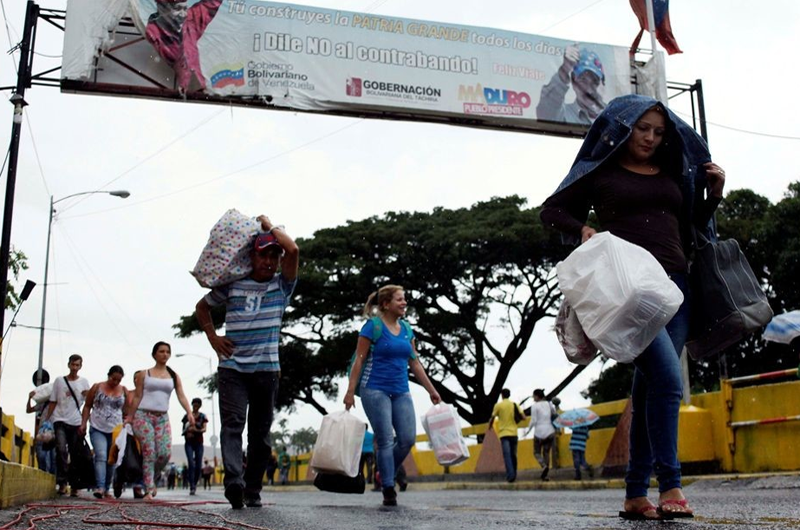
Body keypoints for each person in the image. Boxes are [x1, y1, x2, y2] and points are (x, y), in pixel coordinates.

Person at [540, 94, 726, 520]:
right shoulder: (600, 172)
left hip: (675, 288)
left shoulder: (674, 174)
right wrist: (584, 228)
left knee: (649, 391)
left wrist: (713, 194)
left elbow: (692, 224)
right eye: (642, 128)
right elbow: (550, 211)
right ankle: (672, 484)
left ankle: (635, 494)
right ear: (622, 129)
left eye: (659, 132)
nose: (650, 137)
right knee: (665, 377)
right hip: (628, 292)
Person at [195, 216, 299, 509]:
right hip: (233, 370)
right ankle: (234, 483)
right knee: (232, 426)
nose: (268, 260)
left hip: (267, 371)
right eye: (262, 254)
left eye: (272, 255)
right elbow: (202, 307)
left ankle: (252, 488)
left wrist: (270, 227)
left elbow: (293, 250)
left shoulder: (282, 287)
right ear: (251, 256)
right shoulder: (233, 285)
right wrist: (213, 338)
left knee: (260, 435)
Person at [344, 284, 442, 507]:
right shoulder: (373, 327)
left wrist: (432, 390)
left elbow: (415, 363)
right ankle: (388, 487)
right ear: (386, 304)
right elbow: (359, 360)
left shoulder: (407, 329)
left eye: (404, 299)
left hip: (401, 390)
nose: (404, 303)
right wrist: (350, 392)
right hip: (374, 389)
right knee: (386, 438)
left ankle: (384, 470)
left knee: (407, 438)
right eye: (399, 299)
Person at [125, 341, 194, 500]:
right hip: (143, 416)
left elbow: (181, 395)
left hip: (162, 417)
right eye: (161, 351)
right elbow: (137, 396)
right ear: (154, 354)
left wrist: (189, 412)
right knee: (149, 451)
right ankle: (149, 489)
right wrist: (130, 416)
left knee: (164, 453)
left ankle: (151, 477)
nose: (164, 354)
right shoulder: (145, 374)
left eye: (167, 352)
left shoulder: (173, 375)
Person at [144, 0, 223, 92]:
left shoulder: (190, 21)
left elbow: (212, 3)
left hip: (198, 89)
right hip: (171, 93)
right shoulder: (155, 34)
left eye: (185, 9)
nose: (183, 14)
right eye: (177, 9)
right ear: (162, 9)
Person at [44, 354, 90, 496]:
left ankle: (75, 485)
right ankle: (62, 482)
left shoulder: (84, 382)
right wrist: (46, 421)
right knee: (61, 450)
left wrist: (84, 423)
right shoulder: (59, 381)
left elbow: (87, 404)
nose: (75, 368)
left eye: (77, 365)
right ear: (69, 364)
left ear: (81, 366)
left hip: (75, 421)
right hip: (60, 420)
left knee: (75, 454)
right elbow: (53, 401)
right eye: (73, 365)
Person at [81, 365, 128, 499]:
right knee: (101, 455)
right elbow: (87, 406)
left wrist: (127, 423)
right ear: (109, 376)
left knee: (112, 459)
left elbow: (128, 410)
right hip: (97, 427)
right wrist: (83, 423)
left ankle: (107, 488)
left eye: (118, 380)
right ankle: (100, 487)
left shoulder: (124, 390)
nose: (115, 383)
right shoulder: (97, 387)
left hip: (116, 429)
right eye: (113, 379)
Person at [536, 44, 606, 125]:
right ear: (574, 84)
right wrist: (565, 69)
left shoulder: (616, 116)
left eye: (595, 81)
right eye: (583, 80)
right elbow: (546, 111)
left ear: (603, 84)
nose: (589, 90)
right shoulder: (562, 116)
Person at [488, 388, 524, 483]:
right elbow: (523, 417)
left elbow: (492, 418)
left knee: (507, 455)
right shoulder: (514, 404)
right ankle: (514, 474)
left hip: (504, 434)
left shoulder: (498, 405)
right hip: (514, 433)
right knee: (513, 455)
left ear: (502, 395)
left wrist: (489, 427)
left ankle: (510, 475)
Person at [26, 371, 56, 475]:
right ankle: (43, 473)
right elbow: (28, 410)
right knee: (41, 456)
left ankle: (53, 479)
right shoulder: (42, 404)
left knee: (53, 459)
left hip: (54, 433)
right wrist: (29, 398)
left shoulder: (59, 404)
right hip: (42, 432)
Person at [526, 388, 556, 481]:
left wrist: (528, 430)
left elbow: (533, 420)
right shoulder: (549, 404)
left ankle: (543, 465)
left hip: (539, 432)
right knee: (546, 452)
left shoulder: (534, 406)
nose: (533, 398)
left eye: (534, 396)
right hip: (550, 431)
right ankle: (545, 474)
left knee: (536, 452)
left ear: (536, 396)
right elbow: (554, 413)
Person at [182, 397, 209, 495]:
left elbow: (204, 429)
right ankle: (192, 486)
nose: (195, 407)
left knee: (198, 465)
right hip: (189, 443)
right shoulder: (187, 416)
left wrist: (195, 430)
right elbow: (183, 429)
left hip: (199, 443)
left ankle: (195, 481)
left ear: (200, 406)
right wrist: (188, 431)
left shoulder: (202, 417)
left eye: (197, 405)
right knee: (191, 463)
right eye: (194, 405)